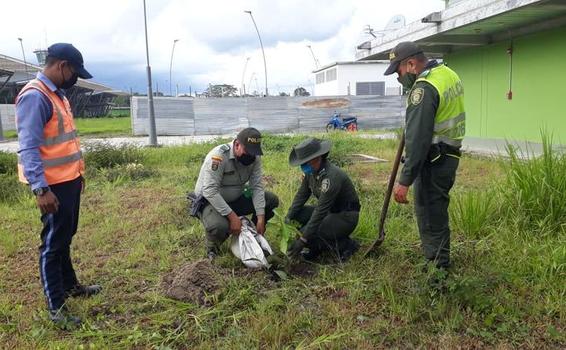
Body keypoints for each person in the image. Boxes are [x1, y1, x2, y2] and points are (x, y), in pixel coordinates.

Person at [15, 43, 101, 327]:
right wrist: (40, 189)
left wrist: (78, 175)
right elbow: (28, 148)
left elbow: (65, 143)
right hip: (52, 187)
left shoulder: (58, 95)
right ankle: (56, 306)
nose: (75, 77)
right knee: (52, 244)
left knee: (66, 235)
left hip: (69, 181)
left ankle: (70, 285)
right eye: (74, 71)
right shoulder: (35, 96)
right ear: (62, 66)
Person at [384, 41, 465, 269]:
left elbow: (418, 140)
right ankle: (439, 261)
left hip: (433, 160)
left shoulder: (423, 88)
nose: (398, 79)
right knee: (437, 210)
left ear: (410, 64)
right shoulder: (447, 73)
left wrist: (405, 180)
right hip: (449, 156)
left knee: (430, 215)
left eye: (398, 72)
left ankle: (437, 270)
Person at [193, 128, 279, 260]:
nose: (250, 156)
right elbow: (209, 191)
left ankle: (256, 233)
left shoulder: (254, 157)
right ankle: (212, 248)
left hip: (236, 198)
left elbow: (256, 187)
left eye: (253, 153)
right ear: (237, 144)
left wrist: (261, 217)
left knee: (270, 199)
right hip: (210, 201)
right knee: (219, 226)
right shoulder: (218, 156)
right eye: (247, 152)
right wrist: (233, 218)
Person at [286, 138, 360, 262]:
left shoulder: (331, 177)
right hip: (330, 213)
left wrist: (303, 239)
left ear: (317, 158)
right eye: (302, 163)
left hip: (345, 216)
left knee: (309, 232)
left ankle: (346, 245)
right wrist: (288, 217)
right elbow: (301, 196)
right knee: (297, 216)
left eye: (306, 163)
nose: (303, 166)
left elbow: (320, 211)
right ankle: (317, 246)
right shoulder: (312, 173)